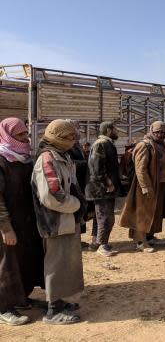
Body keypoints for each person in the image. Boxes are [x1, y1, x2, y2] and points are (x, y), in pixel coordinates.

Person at [31, 119, 86, 325]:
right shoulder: (47, 159)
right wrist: (76, 205)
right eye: (70, 137)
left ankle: (61, 302)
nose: (74, 141)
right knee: (56, 264)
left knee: (66, 265)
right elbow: (52, 196)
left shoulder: (61, 155)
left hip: (66, 220)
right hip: (56, 221)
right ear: (59, 138)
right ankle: (53, 311)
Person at [0, 118, 44, 326]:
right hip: (7, 224)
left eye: (26, 134)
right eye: (20, 135)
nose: (26, 138)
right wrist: (5, 228)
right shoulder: (2, 159)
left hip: (25, 221)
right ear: (8, 135)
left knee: (24, 260)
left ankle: (21, 299)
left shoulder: (24, 158)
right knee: (6, 265)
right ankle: (4, 307)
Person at [119, 121, 165, 253]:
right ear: (152, 131)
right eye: (157, 132)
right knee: (143, 213)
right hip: (146, 186)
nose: (160, 134)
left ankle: (149, 236)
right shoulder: (144, 145)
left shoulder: (161, 144)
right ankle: (140, 241)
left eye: (163, 132)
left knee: (155, 211)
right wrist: (146, 187)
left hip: (160, 185)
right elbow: (141, 169)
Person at [85, 122, 122, 257]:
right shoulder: (101, 144)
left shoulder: (106, 143)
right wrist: (107, 183)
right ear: (108, 130)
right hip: (101, 189)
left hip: (102, 188)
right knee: (106, 217)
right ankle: (102, 245)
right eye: (115, 129)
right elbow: (96, 168)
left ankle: (95, 242)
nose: (117, 131)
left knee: (99, 216)